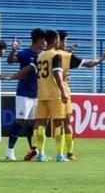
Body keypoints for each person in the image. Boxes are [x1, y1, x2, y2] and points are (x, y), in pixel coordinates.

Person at [57, 30, 105, 161]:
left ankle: (42, 151)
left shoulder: (44, 55)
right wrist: (102, 57)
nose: (65, 43)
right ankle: (68, 153)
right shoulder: (65, 56)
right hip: (62, 92)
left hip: (44, 92)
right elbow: (89, 64)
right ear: (58, 41)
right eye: (64, 41)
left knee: (43, 123)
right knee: (65, 122)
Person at [24, 30, 68, 162]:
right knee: (59, 124)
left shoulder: (40, 56)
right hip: (54, 94)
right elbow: (57, 73)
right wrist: (63, 90)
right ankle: (60, 155)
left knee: (41, 125)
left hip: (41, 94)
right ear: (55, 40)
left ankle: (41, 154)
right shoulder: (56, 55)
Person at [5, 28, 46, 161]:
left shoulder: (43, 55)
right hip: (24, 93)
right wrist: (13, 50)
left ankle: (34, 151)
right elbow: (10, 61)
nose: (45, 42)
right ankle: (9, 151)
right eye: (44, 40)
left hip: (35, 94)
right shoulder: (25, 53)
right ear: (39, 40)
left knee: (32, 123)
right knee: (20, 121)